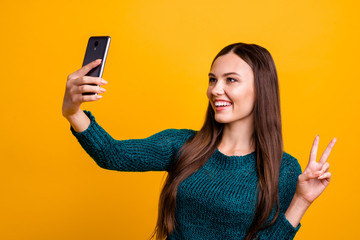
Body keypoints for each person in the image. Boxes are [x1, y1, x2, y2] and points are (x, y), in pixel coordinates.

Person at [62, 42, 336, 240]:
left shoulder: (284, 169)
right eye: (212, 79)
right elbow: (113, 154)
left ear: (260, 89)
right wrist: (73, 112)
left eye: (231, 80)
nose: (216, 90)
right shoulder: (183, 145)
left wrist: (301, 201)